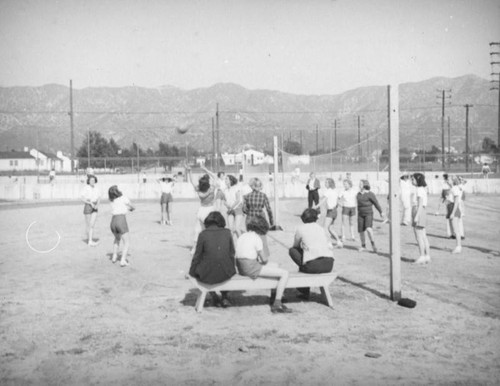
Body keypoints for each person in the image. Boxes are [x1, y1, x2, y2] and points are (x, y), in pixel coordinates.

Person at [236, 216, 292, 314]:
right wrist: (263, 262)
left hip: (241, 266)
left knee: (275, 266)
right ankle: (277, 303)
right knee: (285, 273)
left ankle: (274, 296)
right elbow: (264, 260)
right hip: (250, 267)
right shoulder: (257, 238)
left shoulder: (242, 236)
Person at [189, 211, 236, 308]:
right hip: (226, 272)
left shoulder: (203, 234)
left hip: (208, 274)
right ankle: (224, 296)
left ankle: (214, 295)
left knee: (206, 263)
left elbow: (197, 256)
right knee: (222, 262)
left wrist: (192, 272)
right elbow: (232, 253)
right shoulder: (227, 233)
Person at [289, 208, 334, 299]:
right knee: (305, 259)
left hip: (313, 265)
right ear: (316, 218)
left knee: (293, 251)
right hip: (329, 264)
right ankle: (303, 289)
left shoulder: (301, 229)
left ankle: (304, 290)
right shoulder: (321, 228)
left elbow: (295, 246)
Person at [187, 167, 218, 251]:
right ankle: (210, 247)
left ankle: (194, 248)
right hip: (210, 210)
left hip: (202, 210)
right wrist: (205, 169)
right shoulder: (211, 188)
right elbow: (215, 177)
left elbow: (192, 181)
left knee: (197, 230)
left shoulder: (199, 190)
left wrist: (190, 171)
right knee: (211, 229)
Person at [242, 178, 274, 258]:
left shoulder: (246, 196)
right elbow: (269, 209)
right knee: (262, 237)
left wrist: (250, 211)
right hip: (260, 218)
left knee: (251, 237)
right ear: (260, 186)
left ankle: (253, 255)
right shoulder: (263, 196)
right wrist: (271, 221)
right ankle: (264, 256)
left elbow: (244, 209)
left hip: (250, 218)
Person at [108, 185, 135, 267]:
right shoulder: (123, 197)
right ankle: (123, 260)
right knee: (126, 242)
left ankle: (114, 256)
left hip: (113, 221)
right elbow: (131, 206)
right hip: (121, 220)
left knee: (117, 238)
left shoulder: (112, 200)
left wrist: (127, 208)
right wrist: (131, 208)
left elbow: (120, 206)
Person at [313, 178, 343, 248]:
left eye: (326, 183)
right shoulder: (334, 191)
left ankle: (329, 243)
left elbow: (323, 201)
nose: (325, 184)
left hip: (331, 211)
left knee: (325, 227)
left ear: (330, 184)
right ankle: (339, 242)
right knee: (331, 228)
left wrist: (316, 206)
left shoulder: (328, 191)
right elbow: (336, 202)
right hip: (334, 211)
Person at [357, 180, 385, 253]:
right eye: (359, 184)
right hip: (360, 214)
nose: (359, 185)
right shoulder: (358, 194)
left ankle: (373, 245)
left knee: (369, 229)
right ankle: (363, 246)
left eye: (361, 184)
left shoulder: (370, 194)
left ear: (364, 185)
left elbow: (376, 203)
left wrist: (381, 212)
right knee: (361, 231)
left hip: (368, 214)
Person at [411, 173, 431, 264]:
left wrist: (416, 216)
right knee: (423, 235)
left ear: (417, 180)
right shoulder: (422, 189)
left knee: (419, 236)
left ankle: (422, 255)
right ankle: (427, 256)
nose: (412, 181)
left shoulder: (419, 190)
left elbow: (420, 204)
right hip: (422, 211)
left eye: (413, 179)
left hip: (418, 211)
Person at [81, 175, 101, 246]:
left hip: (95, 206)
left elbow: (99, 198)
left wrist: (97, 205)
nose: (92, 181)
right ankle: (89, 241)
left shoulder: (97, 188)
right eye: (91, 180)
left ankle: (90, 240)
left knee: (92, 224)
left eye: (93, 180)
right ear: (88, 181)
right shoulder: (86, 188)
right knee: (88, 224)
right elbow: (82, 198)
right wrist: (90, 203)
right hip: (88, 206)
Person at [447, 175, 465, 254]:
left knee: (456, 230)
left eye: (449, 180)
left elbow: (456, 201)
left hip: (454, 209)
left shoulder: (455, 188)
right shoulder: (452, 188)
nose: (447, 181)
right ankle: (458, 246)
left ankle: (458, 247)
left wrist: (453, 213)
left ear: (453, 181)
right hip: (451, 208)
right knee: (455, 229)